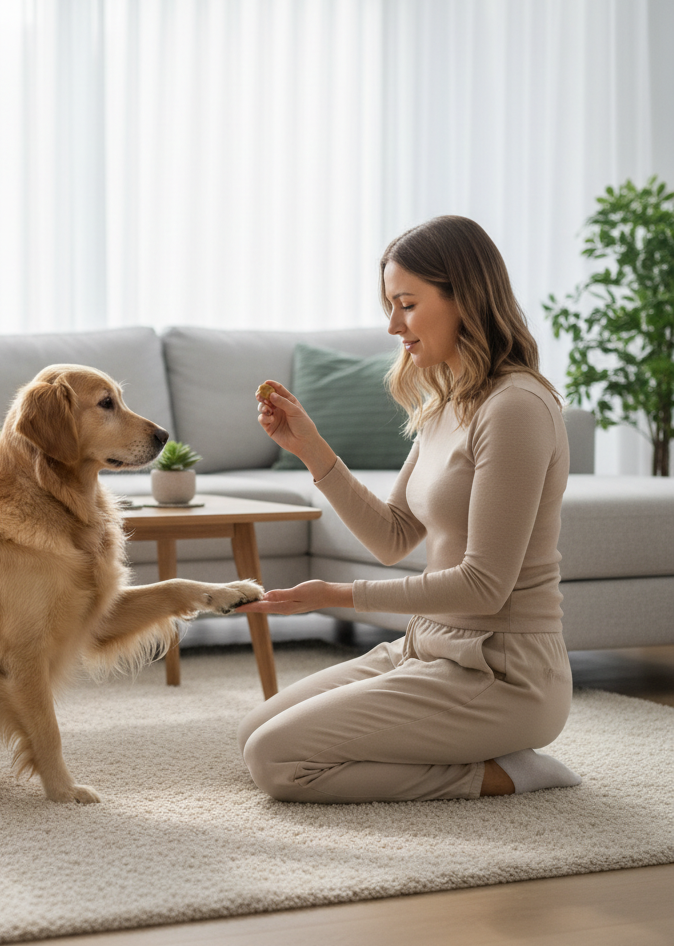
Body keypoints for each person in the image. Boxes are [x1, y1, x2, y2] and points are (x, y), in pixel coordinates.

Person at [237, 215, 582, 803]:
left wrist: (337, 595)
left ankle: (510, 772)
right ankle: (463, 744)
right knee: (253, 732)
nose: (393, 325)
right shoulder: (445, 403)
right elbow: (393, 537)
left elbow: (485, 587)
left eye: (407, 305)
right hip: (427, 646)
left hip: (503, 671)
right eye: (390, 306)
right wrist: (310, 448)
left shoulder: (516, 407)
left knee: (278, 761)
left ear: (464, 299)